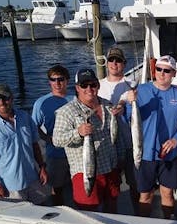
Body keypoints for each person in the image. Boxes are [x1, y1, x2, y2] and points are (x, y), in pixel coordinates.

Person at [53, 68, 125, 212]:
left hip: (110, 168)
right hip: (85, 172)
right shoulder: (66, 111)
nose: (89, 89)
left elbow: (117, 137)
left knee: (112, 208)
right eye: (84, 85)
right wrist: (78, 133)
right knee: (89, 212)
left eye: (93, 84)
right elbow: (56, 140)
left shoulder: (108, 105)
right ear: (77, 88)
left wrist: (120, 159)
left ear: (98, 86)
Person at [125, 55, 177, 218]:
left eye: (167, 71)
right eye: (159, 69)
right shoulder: (141, 91)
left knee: (167, 194)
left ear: (173, 73)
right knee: (145, 195)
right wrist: (130, 102)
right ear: (154, 70)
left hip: (169, 154)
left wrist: (176, 139)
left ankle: (168, 223)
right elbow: (128, 119)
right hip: (144, 154)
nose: (162, 73)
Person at [0, 83, 50, 204]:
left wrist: (42, 167)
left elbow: (34, 145)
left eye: (5, 98)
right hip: (11, 187)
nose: (1, 102)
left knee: (42, 212)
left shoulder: (25, 117)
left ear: (11, 98)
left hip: (33, 179)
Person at [98, 47, 139, 213]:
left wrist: (126, 106)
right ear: (107, 63)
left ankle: (139, 215)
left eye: (118, 60)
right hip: (107, 146)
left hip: (130, 143)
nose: (115, 63)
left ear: (124, 64)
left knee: (134, 183)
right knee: (110, 185)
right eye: (111, 60)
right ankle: (111, 216)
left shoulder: (134, 85)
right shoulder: (97, 86)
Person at [32, 64, 74, 206]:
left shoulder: (76, 99)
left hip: (77, 152)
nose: (57, 83)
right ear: (49, 81)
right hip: (55, 154)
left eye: (60, 79)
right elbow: (34, 126)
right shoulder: (40, 103)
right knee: (57, 188)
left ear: (67, 80)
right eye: (53, 79)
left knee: (79, 186)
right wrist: (46, 138)